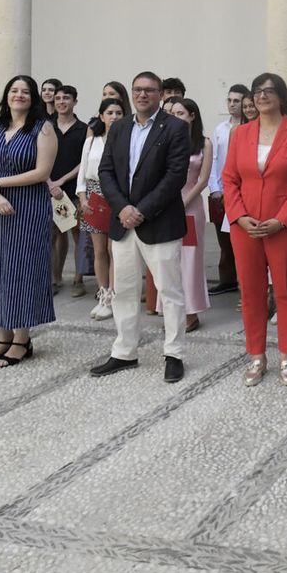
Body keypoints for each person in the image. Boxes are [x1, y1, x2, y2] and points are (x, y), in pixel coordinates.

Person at [89, 71, 191, 383]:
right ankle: (125, 352)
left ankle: (174, 353)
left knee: (169, 292)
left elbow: (175, 176)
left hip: (158, 223)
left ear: (161, 94)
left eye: (149, 90)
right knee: (125, 290)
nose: (142, 95)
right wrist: (123, 208)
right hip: (123, 224)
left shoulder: (175, 128)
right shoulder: (119, 128)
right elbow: (106, 171)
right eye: (137, 90)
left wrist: (141, 211)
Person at [223, 72, 287, 387]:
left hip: (283, 228)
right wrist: (238, 215)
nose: (262, 96)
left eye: (269, 91)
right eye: (257, 91)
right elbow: (229, 178)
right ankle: (257, 354)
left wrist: (282, 219)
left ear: (281, 96)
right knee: (251, 293)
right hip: (246, 227)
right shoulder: (241, 134)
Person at [0, 75, 59, 367]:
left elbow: (41, 172)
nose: (18, 95)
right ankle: (2, 335)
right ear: (6, 96)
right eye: (13, 90)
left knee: (21, 268)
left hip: (29, 207)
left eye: (24, 91)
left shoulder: (43, 128)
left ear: (33, 97)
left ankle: (22, 338)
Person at [166, 98, 213, 333]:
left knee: (190, 259)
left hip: (190, 207)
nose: (176, 117)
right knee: (168, 259)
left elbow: (203, 180)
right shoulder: (167, 141)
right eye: (172, 113)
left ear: (192, 115)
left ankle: (191, 312)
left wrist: (183, 202)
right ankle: (170, 311)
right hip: (167, 206)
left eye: (181, 113)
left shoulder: (203, 143)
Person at [76, 96, 124, 321]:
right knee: (98, 250)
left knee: (115, 249)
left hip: (117, 196)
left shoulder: (126, 139)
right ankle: (102, 293)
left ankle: (114, 298)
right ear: (101, 116)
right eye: (110, 113)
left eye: (118, 113)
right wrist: (82, 198)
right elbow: (82, 172)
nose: (114, 117)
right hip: (94, 196)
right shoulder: (91, 140)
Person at [206, 84, 247, 296]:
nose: (232, 105)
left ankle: (244, 283)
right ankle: (227, 279)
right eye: (229, 100)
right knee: (224, 240)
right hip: (220, 191)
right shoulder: (221, 128)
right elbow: (212, 159)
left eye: (236, 101)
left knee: (240, 240)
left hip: (242, 191)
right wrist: (215, 188)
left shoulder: (250, 128)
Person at [47, 85, 89, 296]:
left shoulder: (83, 129)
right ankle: (55, 278)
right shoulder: (46, 127)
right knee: (54, 233)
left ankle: (78, 279)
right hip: (50, 189)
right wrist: (49, 181)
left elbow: (84, 160)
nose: (61, 102)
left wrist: (61, 181)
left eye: (66, 98)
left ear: (75, 101)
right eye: (58, 98)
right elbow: (38, 158)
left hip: (72, 190)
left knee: (77, 232)